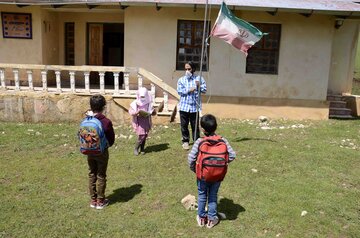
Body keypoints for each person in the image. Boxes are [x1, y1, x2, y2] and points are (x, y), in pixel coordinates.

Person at [188, 114, 236, 228]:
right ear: (216, 127)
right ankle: (211, 219)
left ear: (202, 129)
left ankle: (201, 218)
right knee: (213, 195)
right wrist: (222, 164)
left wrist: (196, 169)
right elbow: (232, 155)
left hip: (202, 176)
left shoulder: (200, 141)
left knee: (202, 195)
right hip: (218, 176)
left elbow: (191, 158)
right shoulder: (223, 140)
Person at [86, 94, 115, 209]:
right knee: (101, 175)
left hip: (89, 150)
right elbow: (111, 138)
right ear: (103, 106)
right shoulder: (106, 122)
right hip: (101, 151)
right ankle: (101, 201)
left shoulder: (87, 119)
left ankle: (93, 200)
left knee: (92, 173)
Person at [177, 61, 207, 150]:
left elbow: (204, 90)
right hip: (184, 107)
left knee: (195, 125)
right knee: (184, 125)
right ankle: (185, 141)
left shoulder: (199, 79)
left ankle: (196, 141)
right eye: (185, 69)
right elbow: (179, 91)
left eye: (189, 69)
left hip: (194, 107)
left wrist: (198, 87)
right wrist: (189, 90)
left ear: (193, 69)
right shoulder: (181, 80)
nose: (187, 71)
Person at [129, 87, 156, 155]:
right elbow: (130, 111)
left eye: (144, 96)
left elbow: (153, 112)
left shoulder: (149, 103)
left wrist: (152, 112)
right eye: (141, 96)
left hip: (146, 120)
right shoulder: (135, 103)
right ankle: (136, 148)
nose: (142, 98)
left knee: (145, 135)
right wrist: (136, 112)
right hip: (139, 121)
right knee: (142, 135)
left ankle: (142, 148)